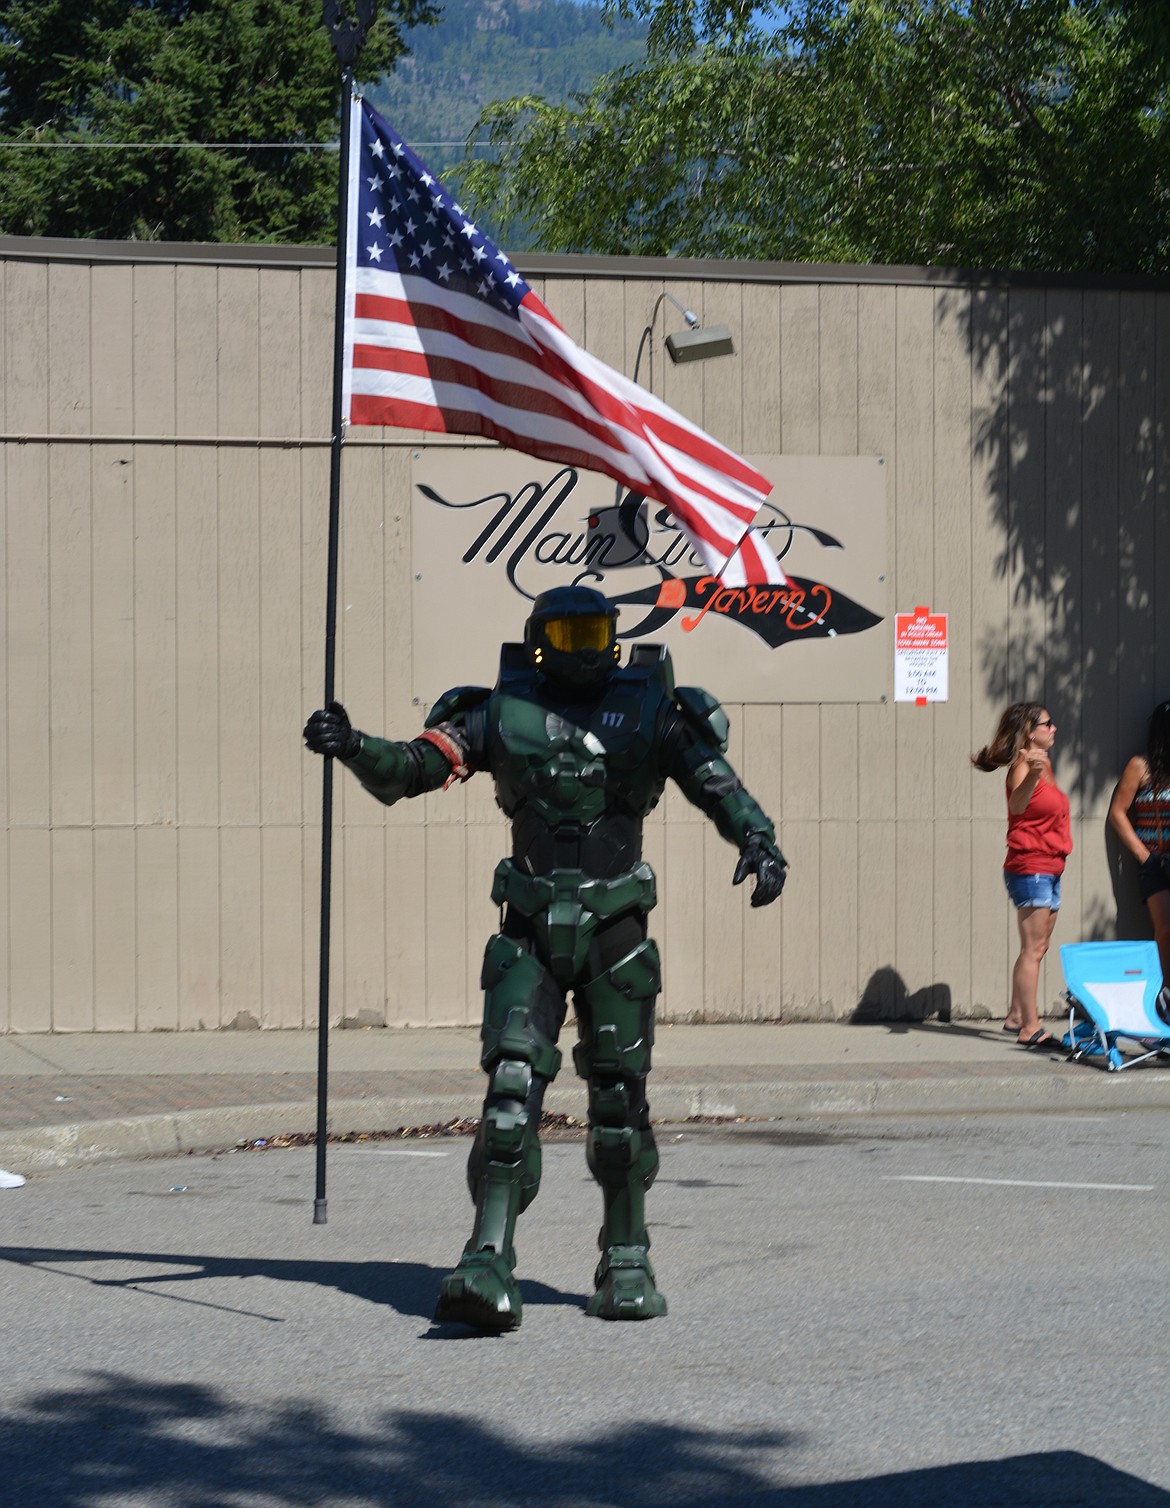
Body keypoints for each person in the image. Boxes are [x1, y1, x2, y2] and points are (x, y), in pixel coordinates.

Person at [304, 585, 787, 1332]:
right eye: (566, 632)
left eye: (595, 629)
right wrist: (354, 746)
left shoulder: (652, 710)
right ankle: (487, 1256)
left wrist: (757, 839)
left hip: (615, 927)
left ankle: (627, 1254)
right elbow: (411, 769)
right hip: (529, 924)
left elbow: (714, 782)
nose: (584, 646)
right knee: (509, 1094)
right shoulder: (500, 712)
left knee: (620, 1101)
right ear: (537, 641)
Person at [972, 702, 1070, 1048]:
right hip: (1030, 868)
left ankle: (1016, 1015)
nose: (1054, 728)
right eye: (1048, 723)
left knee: (1037, 947)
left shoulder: (1045, 764)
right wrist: (1031, 773)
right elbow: (1017, 806)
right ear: (1031, 731)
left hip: (1049, 866)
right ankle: (1030, 1027)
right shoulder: (1023, 765)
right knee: (1033, 948)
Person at [1107, 699, 1170, 1014]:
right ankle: (1165, 999)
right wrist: (1145, 857)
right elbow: (1117, 813)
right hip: (1156, 863)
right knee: (1165, 929)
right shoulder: (1140, 767)